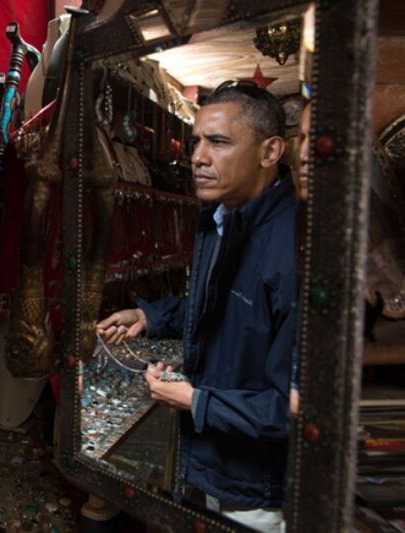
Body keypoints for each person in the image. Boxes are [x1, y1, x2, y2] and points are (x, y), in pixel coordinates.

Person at [97, 80, 297, 532]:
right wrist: (152, 316)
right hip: (212, 465)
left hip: (258, 491)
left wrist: (197, 401)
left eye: (219, 142)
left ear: (270, 152)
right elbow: (226, 311)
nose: (198, 157)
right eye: (196, 142)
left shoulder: (294, 251)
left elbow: (296, 406)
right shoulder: (219, 216)